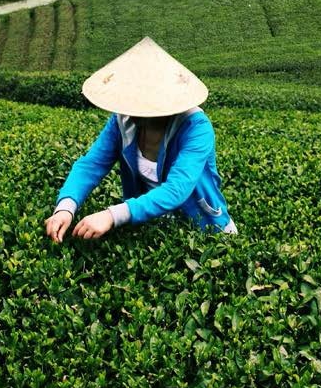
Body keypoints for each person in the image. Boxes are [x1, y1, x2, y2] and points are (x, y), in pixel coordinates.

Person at [45, 37, 235, 242]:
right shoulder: (123, 121)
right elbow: (92, 164)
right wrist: (65, 208)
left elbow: (177, 188)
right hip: (150, 229)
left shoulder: (196, 128)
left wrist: (111, 215)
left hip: (202, 232)